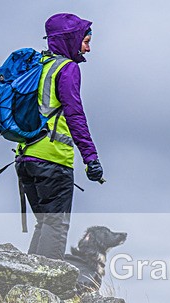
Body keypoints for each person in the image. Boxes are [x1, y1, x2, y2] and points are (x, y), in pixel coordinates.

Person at [15, 13, 104, 260]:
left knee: (45, 224)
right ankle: (47, 289)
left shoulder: (39, 66)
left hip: (25, 159)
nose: (88, 47)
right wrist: (90, 158)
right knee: (56, 225)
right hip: (53, 160)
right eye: (85, 40)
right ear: (72, 39)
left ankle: (28, 285)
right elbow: (75, 115)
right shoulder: (67, 69)